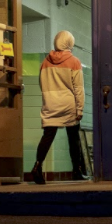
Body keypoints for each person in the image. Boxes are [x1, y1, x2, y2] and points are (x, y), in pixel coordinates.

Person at [32, 30, 87, 184]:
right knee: (73, 137)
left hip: (50, 103)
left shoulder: (45, 62)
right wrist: (80, 108)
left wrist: (49, 98)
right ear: (70, 43)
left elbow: (42, 84)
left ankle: (37, 167)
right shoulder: (74, 61)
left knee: (47, 136)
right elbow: (78, 88)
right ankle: (76, 170)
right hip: (68, 105)